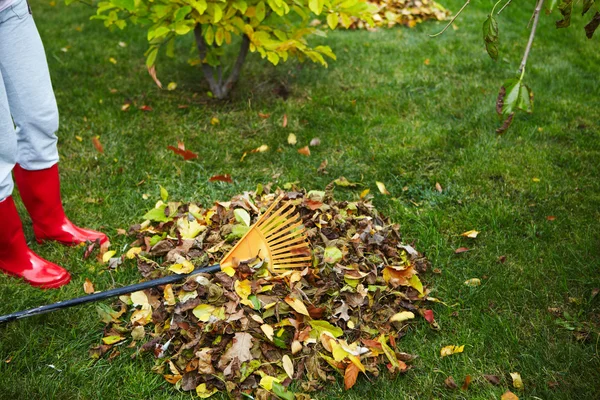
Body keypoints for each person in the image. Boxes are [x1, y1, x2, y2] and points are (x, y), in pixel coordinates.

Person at [0, 0, 108, 289]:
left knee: (40, 117)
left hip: (9, 9)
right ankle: (11, 254)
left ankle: (50, 224)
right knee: (0, 144)